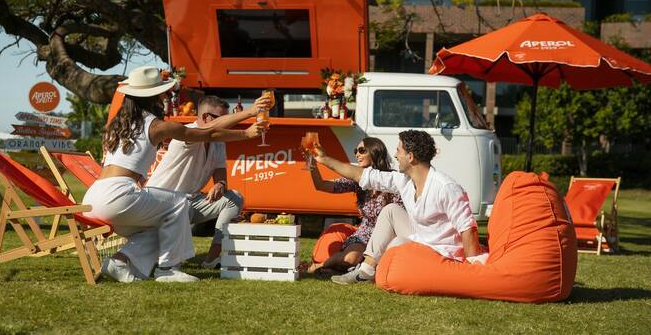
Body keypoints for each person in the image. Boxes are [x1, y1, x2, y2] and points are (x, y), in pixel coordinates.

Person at [82, 66, 266, 283]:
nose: (165, 95)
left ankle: (120, 261)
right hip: (119, 197)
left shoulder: (120, 124)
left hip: (94, 198)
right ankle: (168, 269)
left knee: (159, 223)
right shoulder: (156, 126)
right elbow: (206, 132)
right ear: (153, 96)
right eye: (162, 92)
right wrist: (246, 131)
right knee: (180, 203)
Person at [311, 130, 480, 285]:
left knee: (394, 250)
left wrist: (472, 268)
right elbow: (360, 175)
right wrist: (325, 159)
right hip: (420, 238)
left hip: (441, 251)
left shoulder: (446, 187)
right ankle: (365, 272)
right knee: (391, 211)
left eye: (398, 150)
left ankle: (369, 270)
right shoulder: (404, 180)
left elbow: (468, 228)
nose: (395, 155)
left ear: (411, 157)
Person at [146, 94, 270, 268]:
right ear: (205, 118)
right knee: (182, 206)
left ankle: (211, 259)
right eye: (224, 118)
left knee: (234, 198)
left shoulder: (218, 142)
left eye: (230, 117)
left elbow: (220, 171)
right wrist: (250, 114)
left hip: (188, 202)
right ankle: (169, 265)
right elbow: (209, 132)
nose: (229, 123)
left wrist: (220, 184)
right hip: (160, 203)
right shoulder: (186, 133)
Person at [305, 137, 402, 275]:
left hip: (388, 235)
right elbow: (321, 185)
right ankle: (319, 266)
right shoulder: (357, 181)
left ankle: (344, 268)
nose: (357, 154)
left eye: (362, 150)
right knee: (350, 258)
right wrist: (311, 162)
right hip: (365, 234)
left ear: (375, 152)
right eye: (356, 151)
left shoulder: (392, 179)